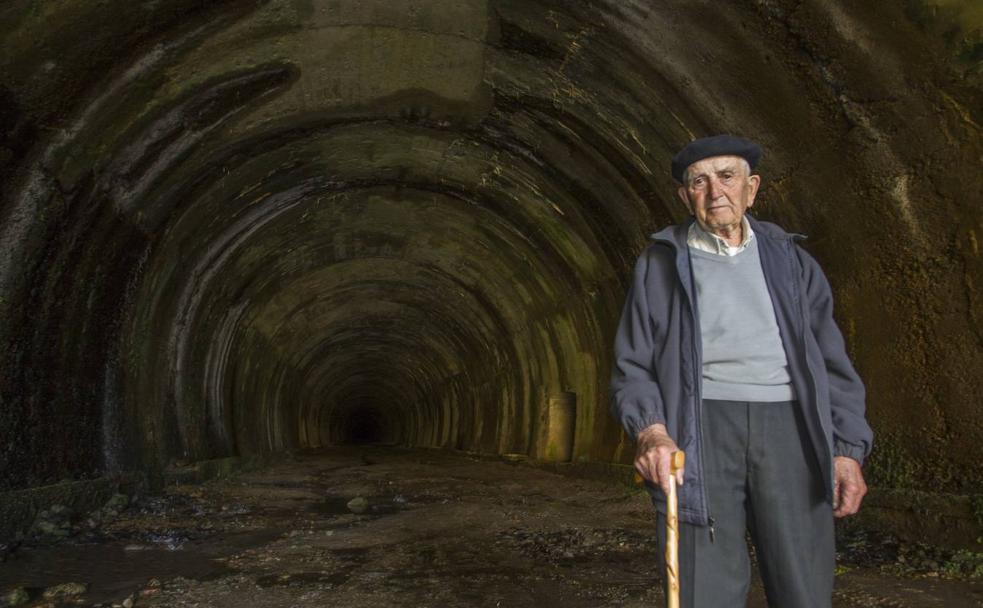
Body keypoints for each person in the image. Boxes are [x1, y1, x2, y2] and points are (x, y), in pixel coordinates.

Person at [610, 135, 873, 608]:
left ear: (752, 188)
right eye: (700, 182)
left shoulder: (793, 262)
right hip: (699, 426)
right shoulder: (659, 265)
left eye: (727, 177)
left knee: (803, 583)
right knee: (703, 584)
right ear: (684, 196)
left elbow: (832, 363)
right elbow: (633, 364)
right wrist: (652, 432)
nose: (716, 192)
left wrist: (847, 449)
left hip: (789, 427)